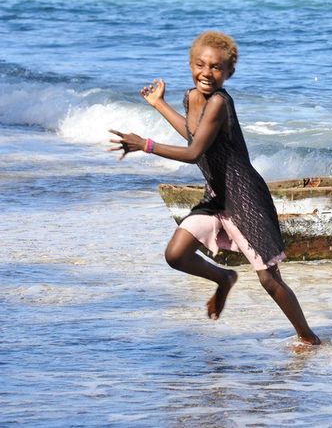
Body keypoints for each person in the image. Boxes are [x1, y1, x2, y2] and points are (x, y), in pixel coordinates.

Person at [109, 31, 320, 345]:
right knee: (176, 254)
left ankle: (308, 339)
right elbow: (194, 136)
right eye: (200, 64)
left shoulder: (220, 101)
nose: (207, 72)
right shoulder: (192, 97)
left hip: (244, 197)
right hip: (217, 195)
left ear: (229, 73)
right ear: (191, 65)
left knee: (269, 279)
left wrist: (146, 144)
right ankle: (224, 277)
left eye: (216, 67)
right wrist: (160, 105)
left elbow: (193, 153)